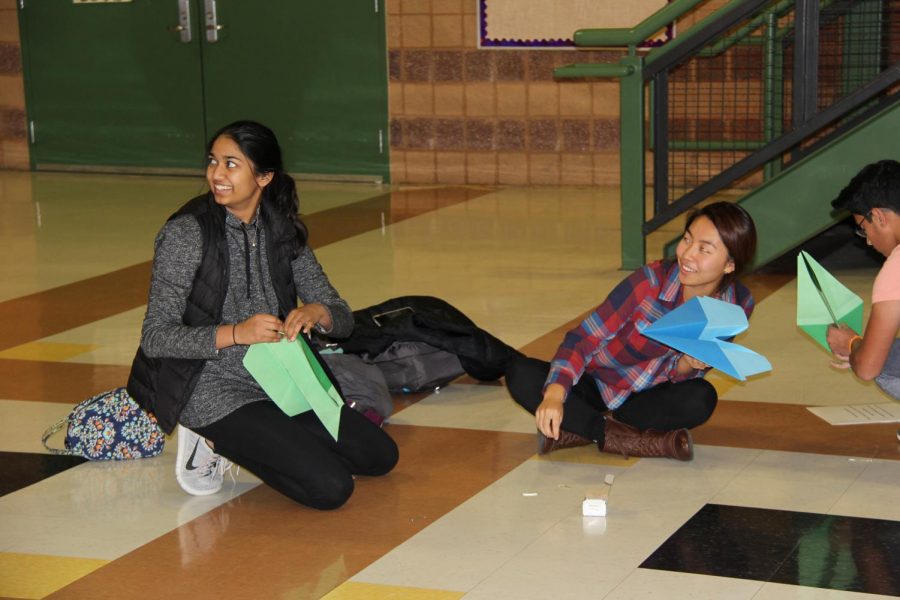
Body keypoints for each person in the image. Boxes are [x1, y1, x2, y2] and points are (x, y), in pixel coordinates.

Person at [127, 120, 398, 509]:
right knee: (331, 488)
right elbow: (156, 337)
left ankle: (266, 432)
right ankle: (213, 438)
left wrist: (316, 312)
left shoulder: (282, 228)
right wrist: (237, 332)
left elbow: (341, 316)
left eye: (231, 164)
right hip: (208, 384)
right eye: (213, 162)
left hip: (279, 378)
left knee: (379, 456)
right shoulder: (186, 235)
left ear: (265, 176)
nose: (217, 175)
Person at [506, 201, 757, 460]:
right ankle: (626, 438)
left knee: (700, 398)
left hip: (647, 396)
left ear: (729, 265)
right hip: (598, 382)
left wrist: (688, 363)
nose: (687, 254)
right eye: (686, 239)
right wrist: (555, 395)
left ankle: (582, 430)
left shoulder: (736, 306)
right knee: (520, 373)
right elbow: (584, 339)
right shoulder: (649, 282)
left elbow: (682, 375)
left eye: (704, 249)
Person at [825, 159, 900, 441]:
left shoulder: (896, 267)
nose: (867, 240)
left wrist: (853, 344)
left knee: (885, 363)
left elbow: (868, 367)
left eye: (863, 228)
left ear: (878, 216)